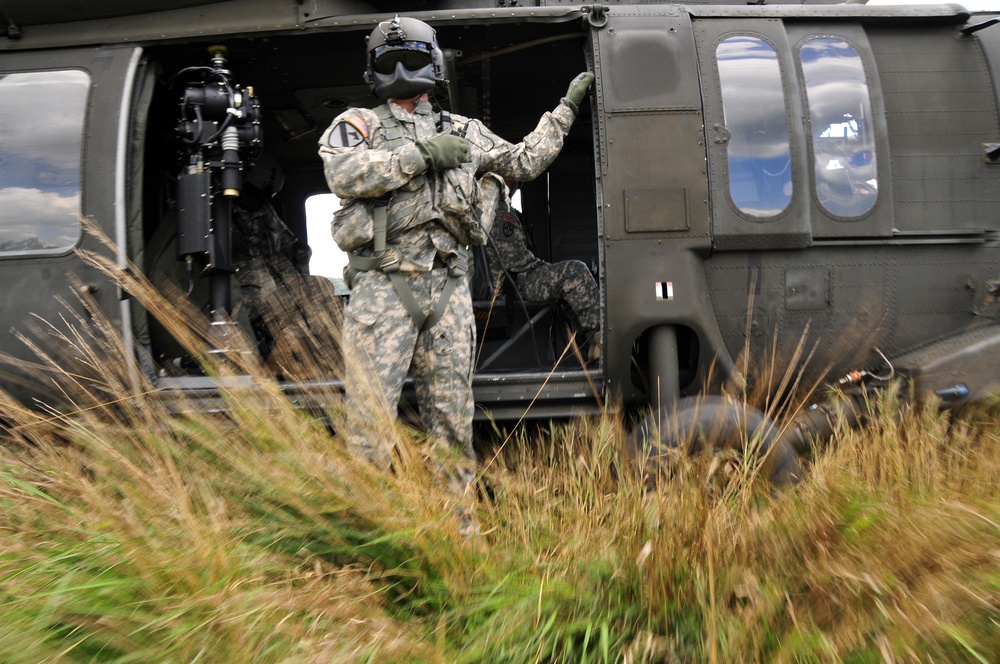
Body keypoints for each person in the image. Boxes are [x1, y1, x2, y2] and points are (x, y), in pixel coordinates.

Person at [317, 15, 593, 508]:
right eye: (390, 60)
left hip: (447, 290)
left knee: (452, 427)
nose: (402, 69)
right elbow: (343, 173)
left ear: (435, 64)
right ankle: (365, 542)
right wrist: (419, 156)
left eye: (414, 58)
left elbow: (523, 162)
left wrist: (565, 110)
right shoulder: (358, 125)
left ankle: (458, 539)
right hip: (383, 289)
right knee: (368, 427)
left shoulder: (464, 131)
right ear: (373, 71)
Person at [481, 174, 601, 362]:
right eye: (510, 181)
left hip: (517, 278)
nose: (514, 186)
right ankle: (597, 338)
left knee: (568, 286)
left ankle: (592, 340)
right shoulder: (499, 211)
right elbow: (513, 260)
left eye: (517, 182)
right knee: (575, 271)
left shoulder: (501, 210)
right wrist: (542, 268)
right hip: (515, 283)